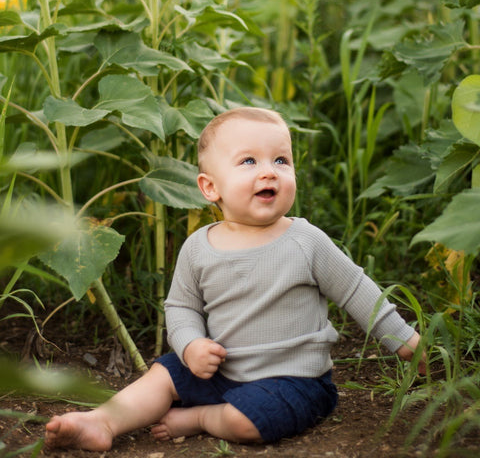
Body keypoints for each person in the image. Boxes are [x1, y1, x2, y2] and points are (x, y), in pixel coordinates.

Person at [45, 106, 426, 450]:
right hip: (221, 374)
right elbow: (181, 307)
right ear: (210, 187)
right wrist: (191, 344)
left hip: (294, 381)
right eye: (248, 161)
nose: (268, 171)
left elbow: (356, 288)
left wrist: (402, 338)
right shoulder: (198, 248)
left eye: (281, 160)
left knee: (247, 421)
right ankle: (102, 421)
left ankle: (201, 417)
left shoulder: (305, 241)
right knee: (163, 374)